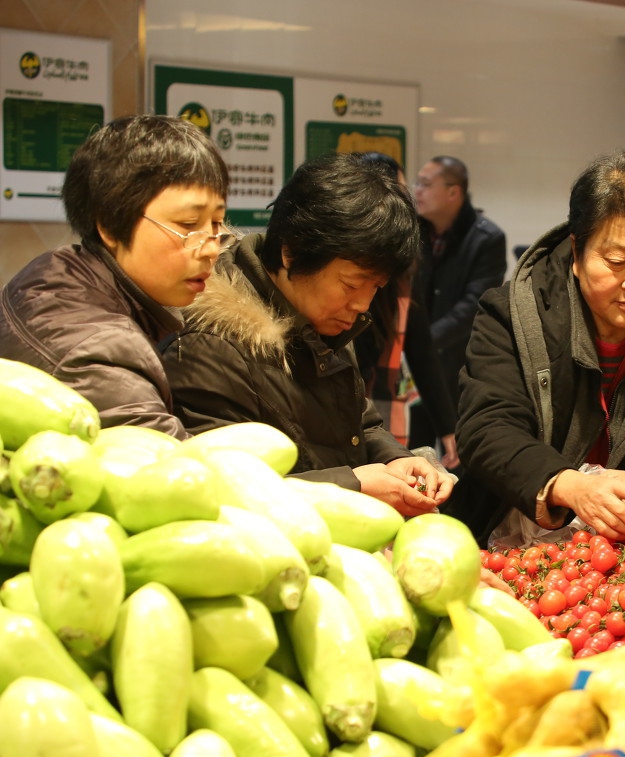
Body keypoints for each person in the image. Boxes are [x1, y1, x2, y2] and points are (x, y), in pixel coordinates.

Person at [449, 150, 625, 545]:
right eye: (617, 261)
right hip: (506, 541)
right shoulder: (513, 314)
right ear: (577, 252)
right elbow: (486, 429)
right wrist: (570, 486)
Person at [160, 153, 452, 516]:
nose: (362, 305)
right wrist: (354, 486)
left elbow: (358, 423)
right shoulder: (210, 343)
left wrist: (396, 460)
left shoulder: (322, 315)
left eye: (376, 287)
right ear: (292, 252)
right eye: (351, 284)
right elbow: (223, 486)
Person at [0, 114, 231, 437]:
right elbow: (165, 461)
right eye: (188, 225)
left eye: (216, 224)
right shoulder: (97, 353)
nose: (211, 248)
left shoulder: (55, 270)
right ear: (110, 225)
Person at [352, 153, 459, 469]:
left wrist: (447, 425)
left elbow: (421, 347)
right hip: (348, 402)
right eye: (400, 189)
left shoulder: (406, 264)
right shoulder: (350, 258)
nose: (407, 200)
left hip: (383, 401)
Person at [409, 155, 507, 464]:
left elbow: (473, 306)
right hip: (417, 369)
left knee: (460, 459)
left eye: (425, 184)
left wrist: (421, 342)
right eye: (417, 183)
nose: (417, 190)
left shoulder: (486, 237)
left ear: (453, 192)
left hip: (461, 368)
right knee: (413, 456)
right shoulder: (414, 231)